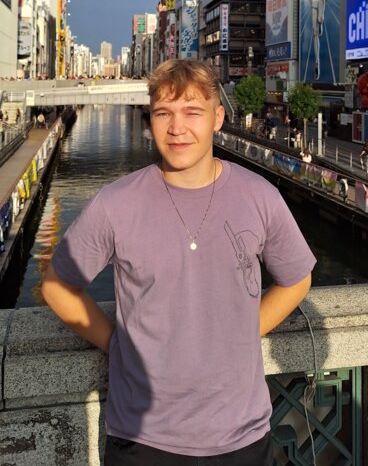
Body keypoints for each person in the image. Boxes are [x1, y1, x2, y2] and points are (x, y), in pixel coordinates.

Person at [42, 60, 315, 464]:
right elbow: (57, 286)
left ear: (217, 118)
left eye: (192, 112)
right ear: (149, 118)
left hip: (241, 433)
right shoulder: (116, 203)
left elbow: (297, 278)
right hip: (142, 436)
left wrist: (245, 329)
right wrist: (118, 344)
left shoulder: (260, 196)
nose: (177, 128)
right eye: (163, 113)